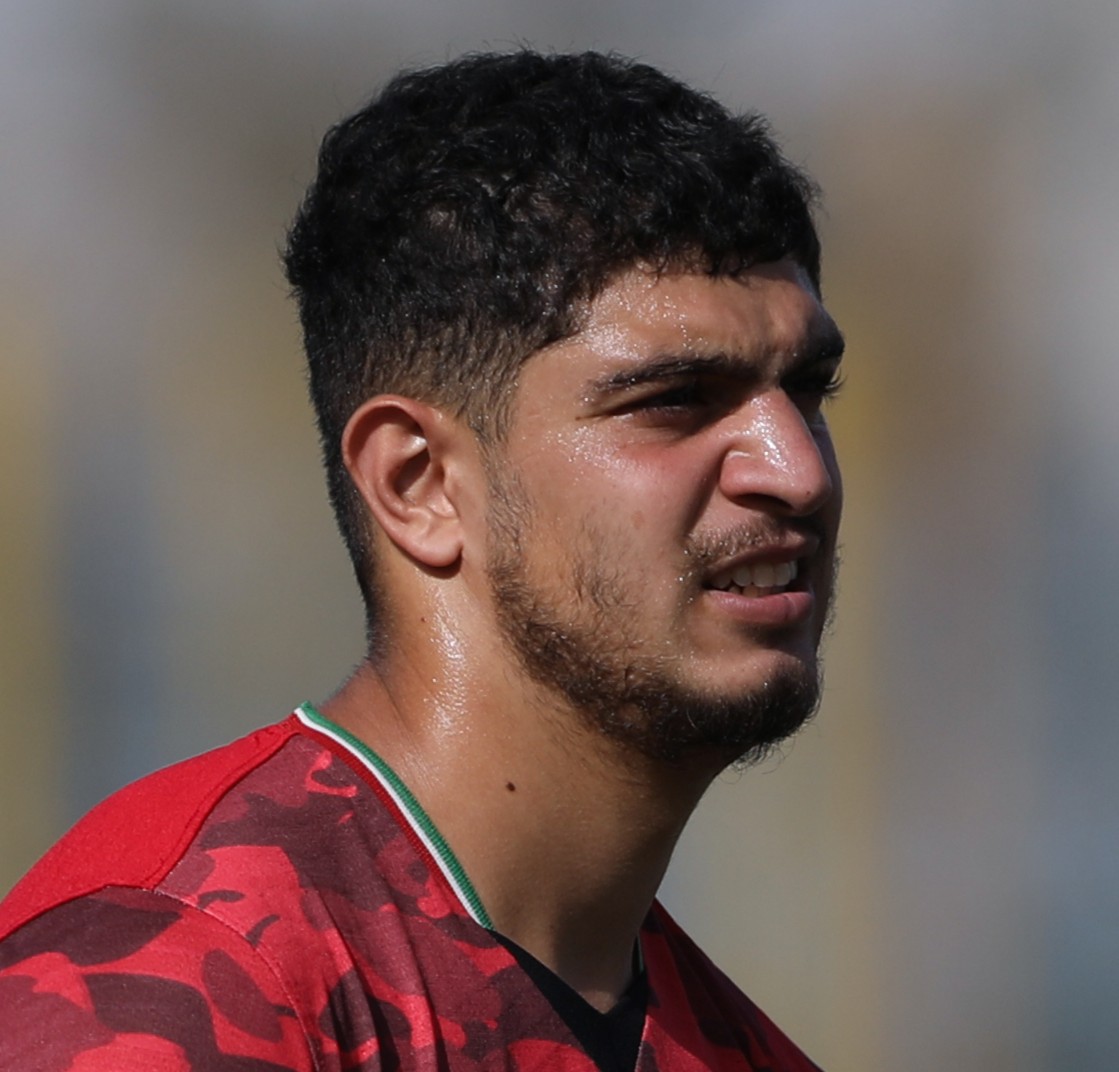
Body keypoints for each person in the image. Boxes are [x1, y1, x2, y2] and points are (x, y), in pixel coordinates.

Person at [0, 50, 843, 1071]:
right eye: (674, 401)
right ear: (419, 483)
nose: (797, 470)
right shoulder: (171, 985)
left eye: (807, 391)